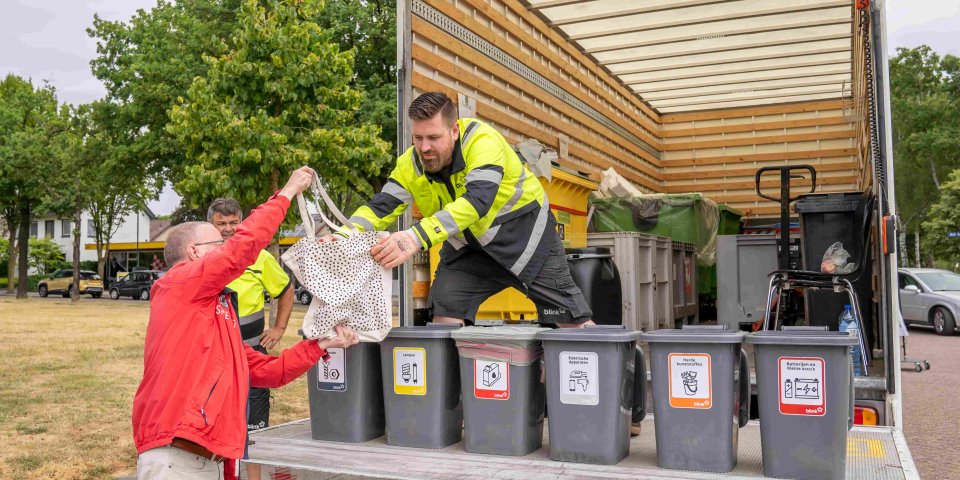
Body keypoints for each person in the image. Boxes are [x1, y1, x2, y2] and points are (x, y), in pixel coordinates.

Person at [132, 166, 359, 479]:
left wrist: (321, 344)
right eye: (218, 245)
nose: (227, 248)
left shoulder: (212, 316)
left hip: (208, 459)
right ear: (194, 253)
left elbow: (269, 371)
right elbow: (241, 248)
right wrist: (287, 193)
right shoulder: (179, 283)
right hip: (177, 458)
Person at [322, 91, 594, 329]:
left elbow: (477, 201)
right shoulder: (410, 164)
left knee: (572, 320)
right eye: (418, 138)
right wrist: (345, 235)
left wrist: (414, 237)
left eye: (433, 137)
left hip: (526, 240)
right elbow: (381, 207)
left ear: (455, 130)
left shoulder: (484, 142)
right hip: (468, 250)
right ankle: (449, 385)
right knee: (444, 313)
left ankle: (606, 369)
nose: (424, 147)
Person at [207, 197, 296, 480]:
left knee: (255, 426)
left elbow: (285, 290)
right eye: (221, 224)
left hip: (253, 354)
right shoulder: (203, 256)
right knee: (215, 421)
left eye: (234, 222)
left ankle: (254, 477)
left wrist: (279, 328)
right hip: (215, 357)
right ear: (211, 224)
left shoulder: (259, 256)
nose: (228, 229)